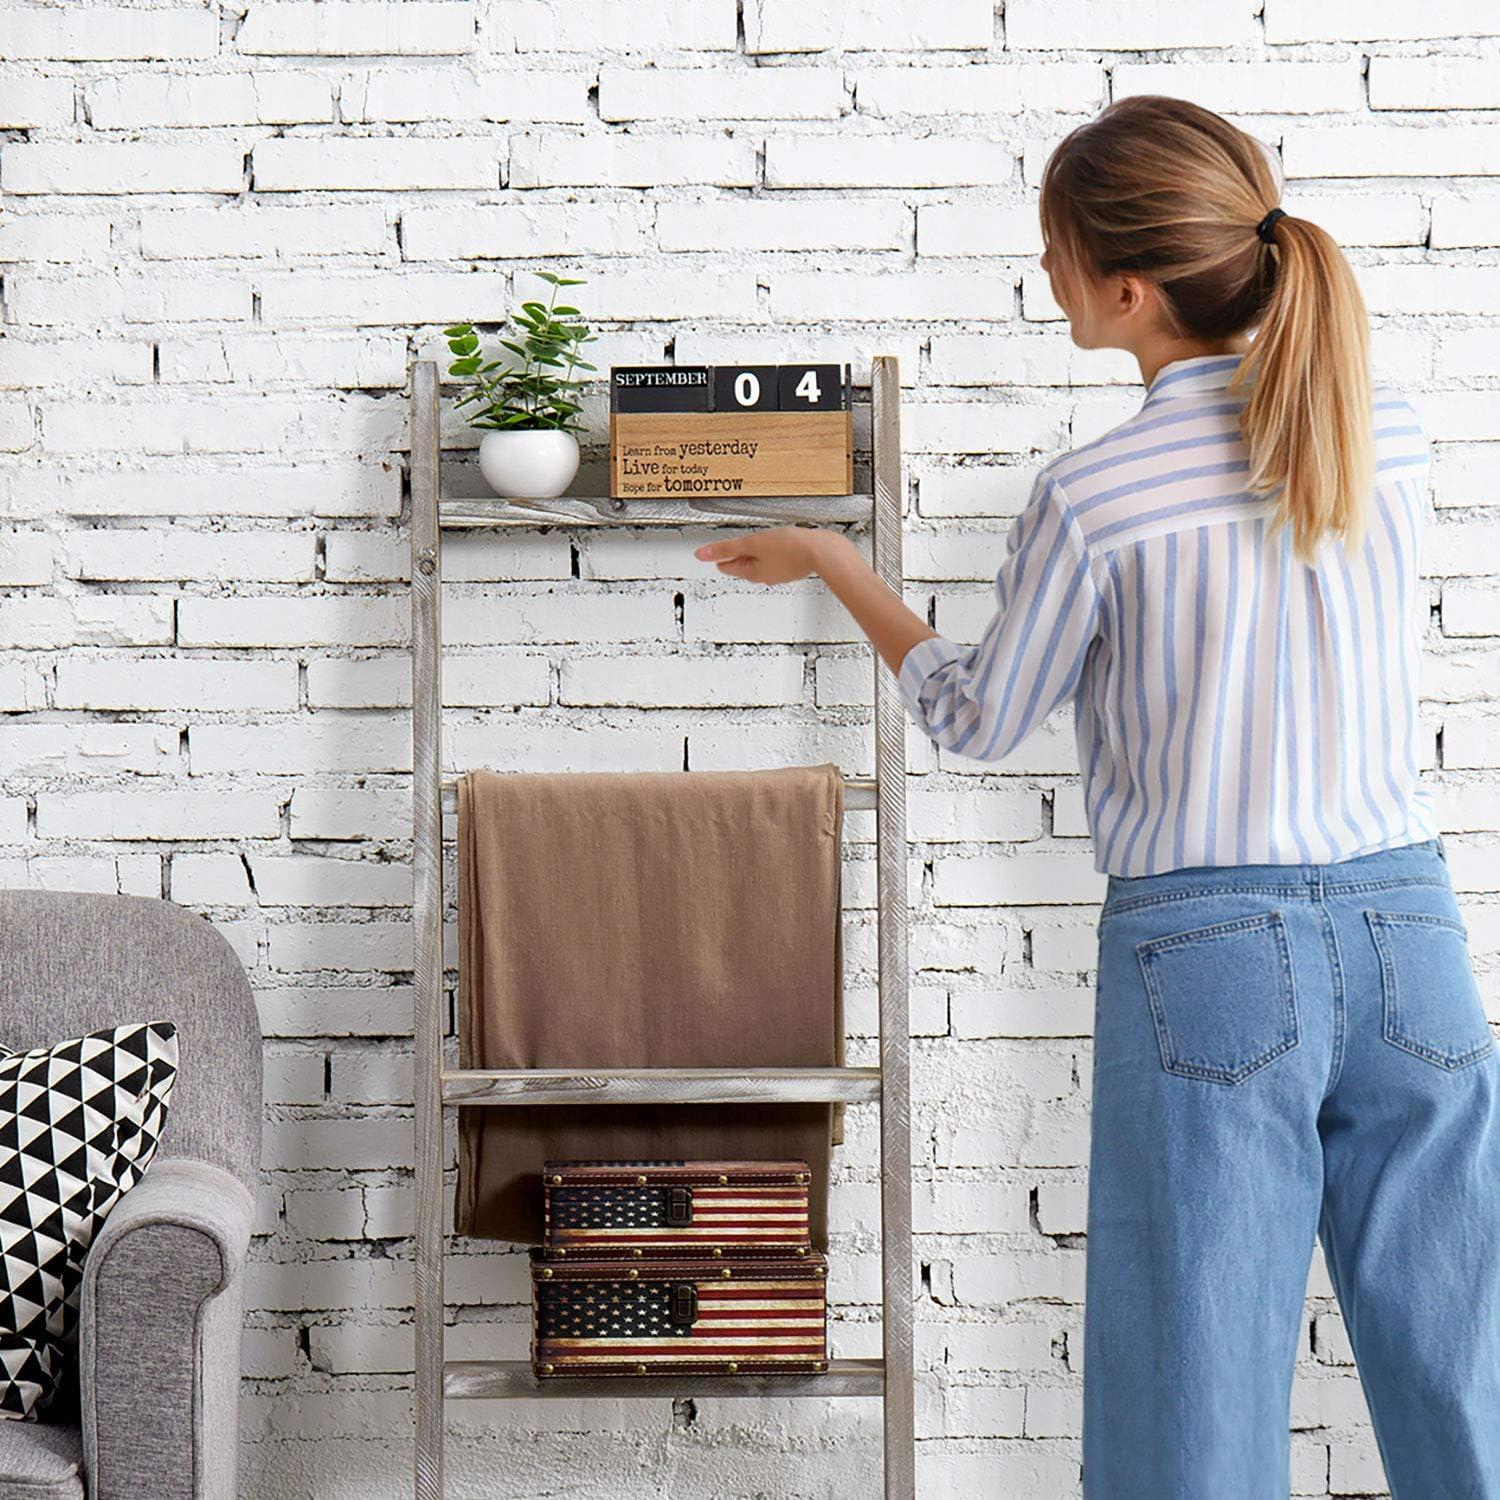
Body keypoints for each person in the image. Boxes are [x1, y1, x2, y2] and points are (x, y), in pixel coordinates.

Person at [692, 94, 1500, 1499]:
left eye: (1055, 252)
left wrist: (836, 562)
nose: (1045, 276)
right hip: (1408, 931)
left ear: (1129, 290)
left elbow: (981, 716)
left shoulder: (1097, 494)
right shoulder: (1393, 438)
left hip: (1209, 948)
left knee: (1192, 1372)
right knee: (1466, 1354)